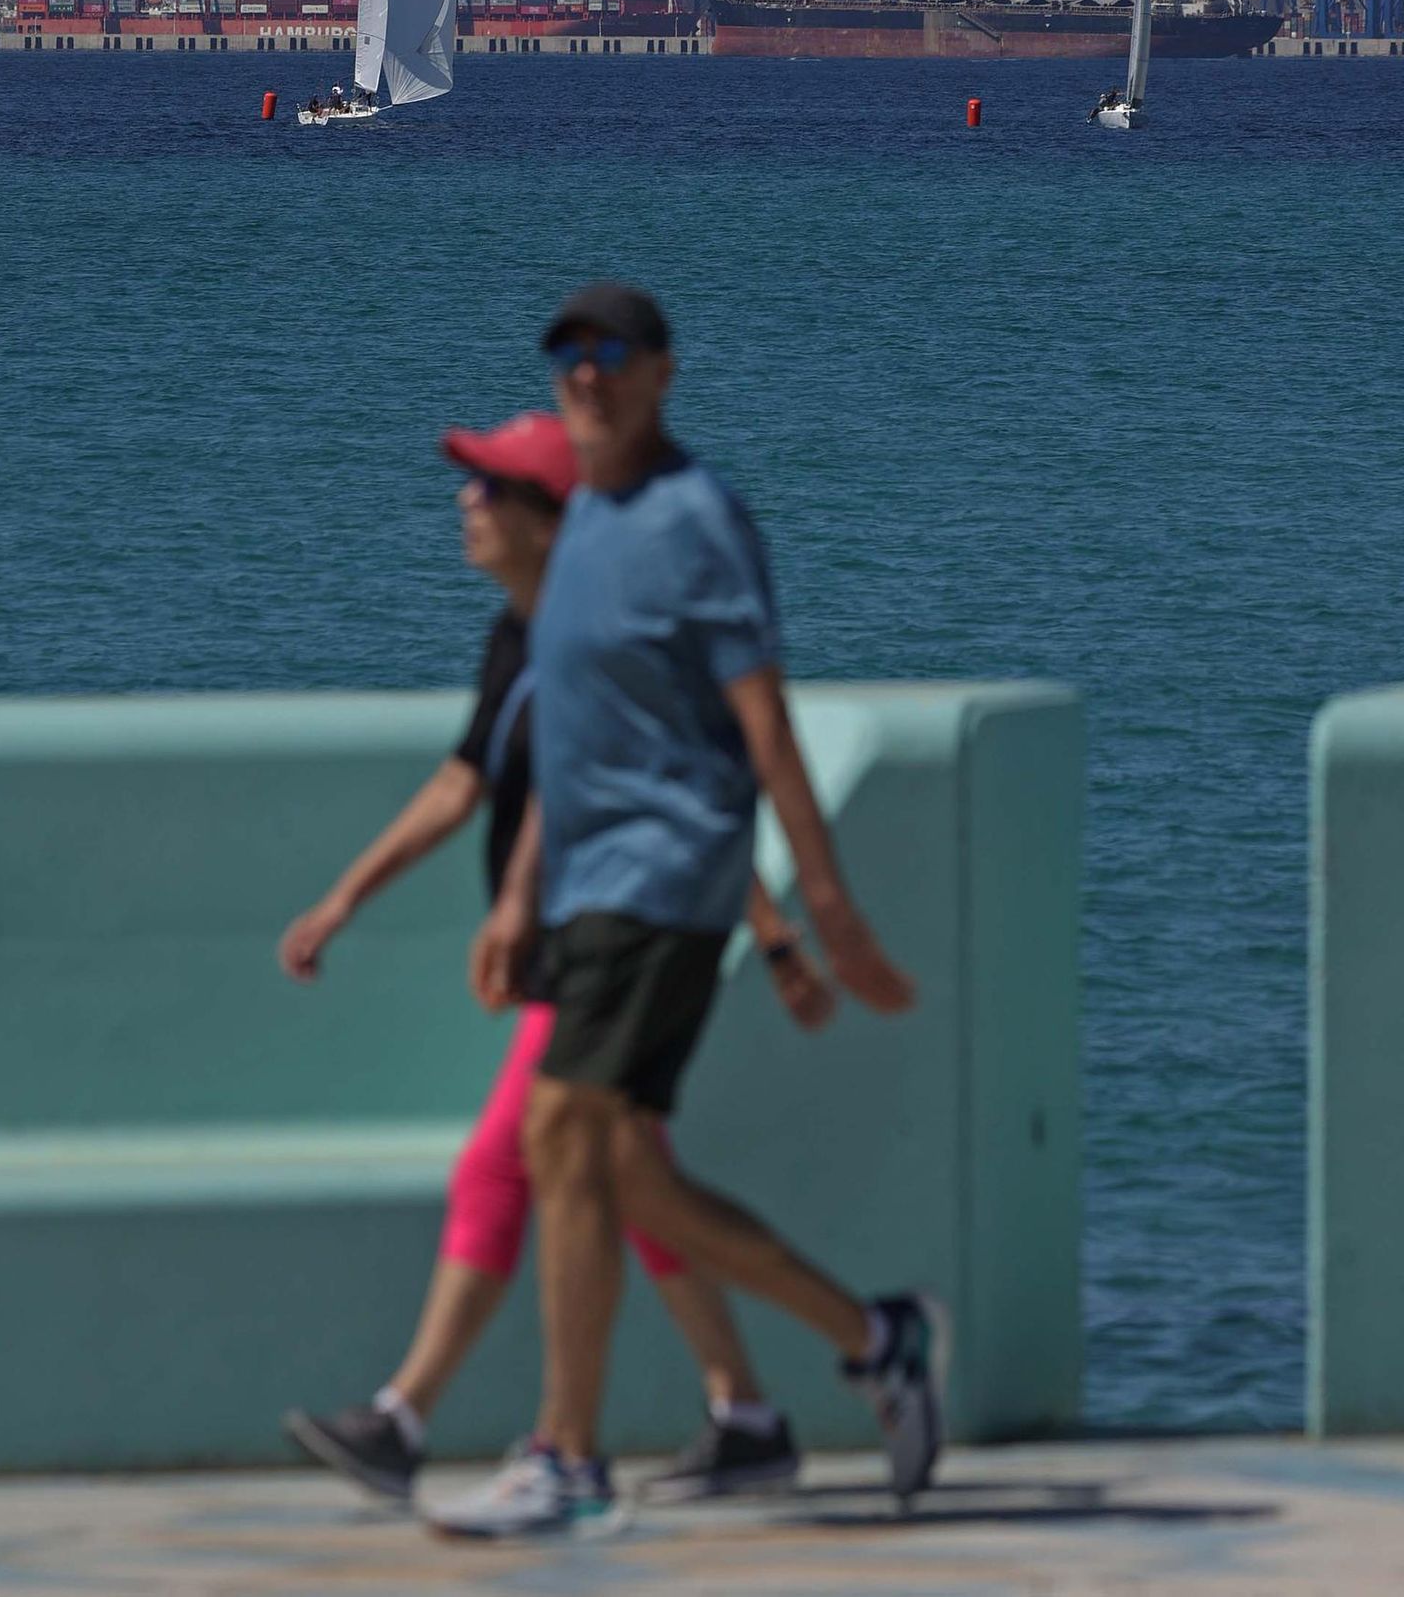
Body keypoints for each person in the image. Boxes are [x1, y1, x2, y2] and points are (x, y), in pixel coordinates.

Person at [429, 285, 947, 1542]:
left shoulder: (695, 521)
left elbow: (758, 721)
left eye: (612, 354)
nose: (586, 373)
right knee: (618, 1173)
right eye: (567, 352)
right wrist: (514, 896)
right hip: (590, 884)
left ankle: (566, 1454)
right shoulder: (588, 523)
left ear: (662, 373)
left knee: (558, 1132)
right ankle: (875, 1338)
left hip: (667, 876)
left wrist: (820, 909)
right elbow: (572, 739)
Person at [278, 411, 827, 1507]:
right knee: (629, 1185)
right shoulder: (514, 640)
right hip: (573, 955)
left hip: (614, 946)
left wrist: (775, 937)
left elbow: (691, 798)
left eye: (488, 490)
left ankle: (408, 1416)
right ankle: (750, 1412)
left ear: (547, 519)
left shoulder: (605, 643)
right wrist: (344, 896)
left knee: (504, 1166)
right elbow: (460, 782)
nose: (464, 507)